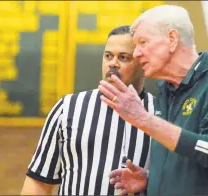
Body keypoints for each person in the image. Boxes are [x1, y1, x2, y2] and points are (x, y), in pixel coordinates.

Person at [99, 5, 208, 196]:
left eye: (143, 42)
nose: (137, 53)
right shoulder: (165, 89)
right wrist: (151, 179)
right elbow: (183, 158)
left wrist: (143, 119)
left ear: (172, 40)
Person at [20, 25, 155, 195]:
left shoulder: (161, 114)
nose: (113, 63)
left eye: (123, 57)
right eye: (108, 56)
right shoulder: (68, 108)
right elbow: (39, 180)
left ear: (143, 66)